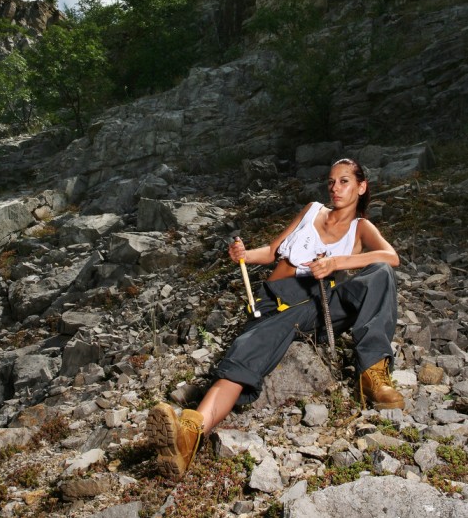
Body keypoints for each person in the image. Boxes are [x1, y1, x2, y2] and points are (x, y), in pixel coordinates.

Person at [146, 158, 404, 479]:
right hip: (274, 303)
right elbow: (271, 251)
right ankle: (189, 435)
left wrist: (336, 262)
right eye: (331, 182)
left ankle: (373, 374)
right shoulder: (312, 211)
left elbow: (390, 257)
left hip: (317, 302)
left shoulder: (361, 228)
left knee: (379, 273)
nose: (335, 188)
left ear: (361, 187)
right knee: (247, 352)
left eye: (344, 181)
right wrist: (244, 255)